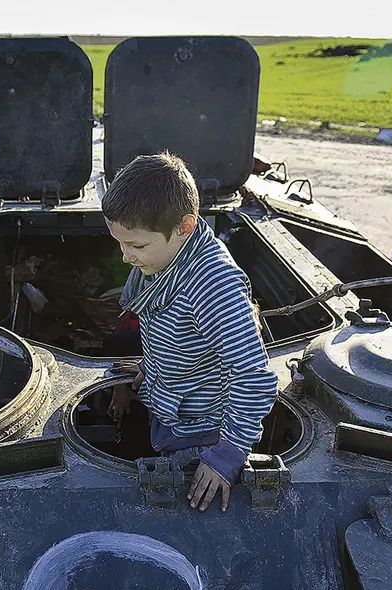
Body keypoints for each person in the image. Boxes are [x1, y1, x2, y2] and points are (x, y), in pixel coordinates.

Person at [102, 153, 279, 512]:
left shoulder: (213, 285)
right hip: (173, 410)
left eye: (136, 245)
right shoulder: (166, 256)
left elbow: (255, 379)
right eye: (119, 242)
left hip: (204, 435)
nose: (125, 257)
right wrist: (152, 369)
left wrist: (225, 457)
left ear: (184, 226)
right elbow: (178, 335)